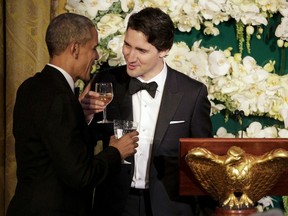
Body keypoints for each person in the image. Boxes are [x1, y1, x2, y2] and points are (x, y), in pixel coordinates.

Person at [82, 7, 213, 216]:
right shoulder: (106, 82)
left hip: (170, 206)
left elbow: (205, 163)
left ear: (164, 50)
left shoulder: (192, 94)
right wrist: (86, 116)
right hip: (115, 205)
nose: (130, 57)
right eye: (127, 45)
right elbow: (82, 146)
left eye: (141, 50)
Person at [6, 13, 138, 216]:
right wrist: (116, 152)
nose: (96, 56)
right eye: (93, 48)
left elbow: (52, 147)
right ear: (74, 48)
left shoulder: (31, 86)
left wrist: (80, 117)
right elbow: (81, 175)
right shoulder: (60, 98)